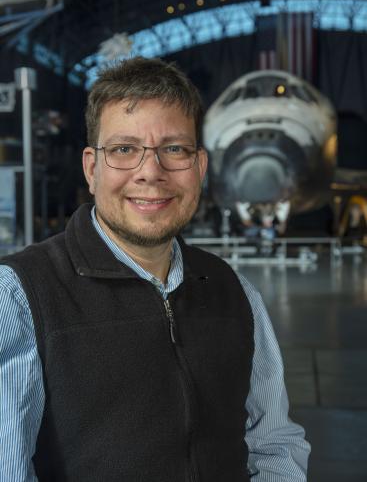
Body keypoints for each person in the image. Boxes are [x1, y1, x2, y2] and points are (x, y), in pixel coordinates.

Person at [0, 57, 310, 481]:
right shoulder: (19, 296)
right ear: (92, 168)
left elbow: (273, 444)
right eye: (124, 149)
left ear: (200, 167)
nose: (151, 172)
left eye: (174, 150)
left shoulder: (236, 293)